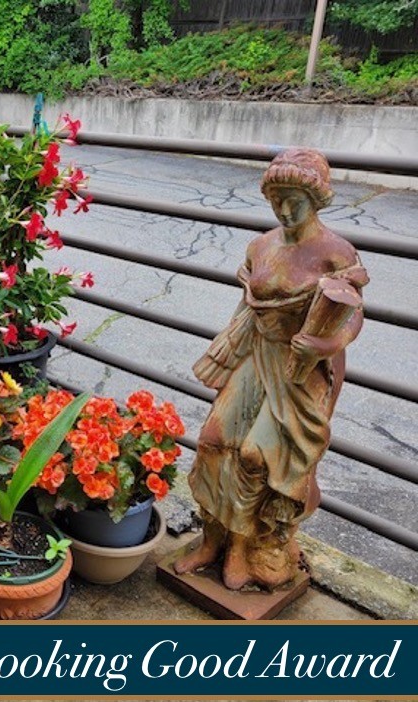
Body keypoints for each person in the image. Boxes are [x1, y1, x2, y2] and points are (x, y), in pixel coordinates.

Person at [174, 148, 368, 590]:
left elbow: (353, 313)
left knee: (255, 455)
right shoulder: (261, 244)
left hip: (300, 367)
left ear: (316, 199)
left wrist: (327, 342)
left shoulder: (336, 252)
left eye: (293, 199)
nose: (283, 209)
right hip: (255, 351)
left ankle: (242, 549)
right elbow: (248, 300)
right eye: (275, 199)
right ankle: (211, 539)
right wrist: (229, 349)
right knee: (213, 441)